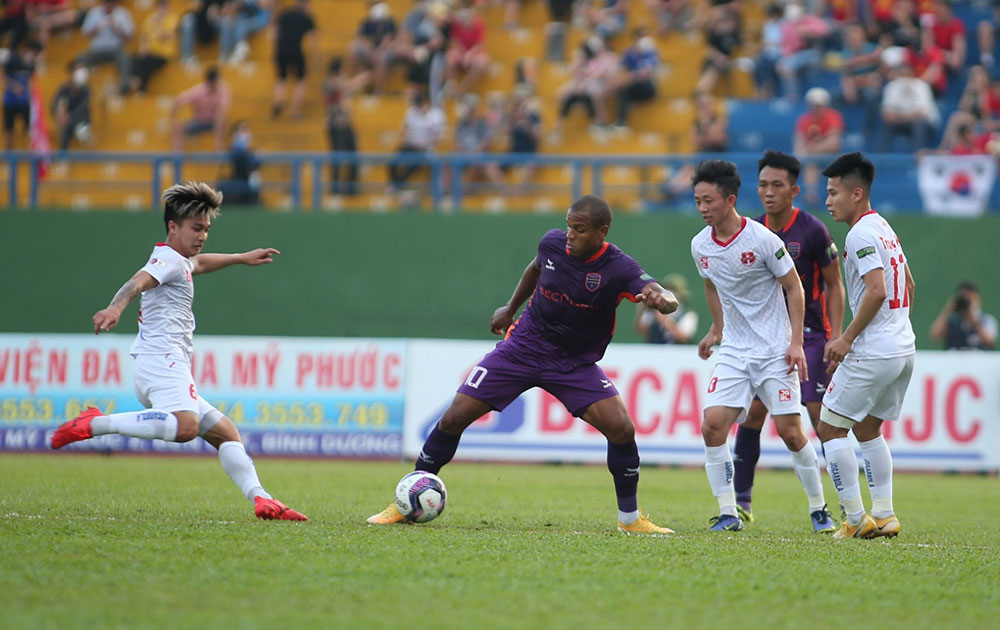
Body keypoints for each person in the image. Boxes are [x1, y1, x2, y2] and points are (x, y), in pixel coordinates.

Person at [367, 195, 679, 535]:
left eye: (579, 230)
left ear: (602, 232)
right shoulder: (552, 243)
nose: (570, 235)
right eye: (568, 226)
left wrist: (663, 300)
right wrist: (510, 306)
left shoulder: (618, 267)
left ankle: (630, 520)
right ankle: (405, 502)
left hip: (572, 363)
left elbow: (657, 290)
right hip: (522, 348)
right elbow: (535, 267)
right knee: (455, 416)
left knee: (622, 429)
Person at [49, 181, 306, 523]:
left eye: (207, 229)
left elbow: (199, 264)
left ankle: (263, 500)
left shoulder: (180, 260)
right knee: (186, 426)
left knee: (226, 433)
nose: (202, 236)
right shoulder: (167, 260)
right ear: (173, 226)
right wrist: (115, 308)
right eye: (196, 228)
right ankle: (95, 423)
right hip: (161, 361)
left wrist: (241, 258)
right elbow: (137, 281)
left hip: (164, 364)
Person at [690, 159, 833, 532]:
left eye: (709, 200)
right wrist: (716, 329)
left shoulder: (764, 240)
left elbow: (794, 287)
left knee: (790, 431)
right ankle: (728, 512)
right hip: (735, 352)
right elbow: (711, 283)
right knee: (712, 426)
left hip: (773, 350)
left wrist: (796, 341)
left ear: (730, 199)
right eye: (697, 201)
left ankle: (819, 508)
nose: (703, 208)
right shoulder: (700, 245)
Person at [731, 150, 845, 527]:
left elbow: (834, 284)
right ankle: (741, 501)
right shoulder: (750, 229)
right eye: (763, 185)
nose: (768, 192)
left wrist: (837, 334)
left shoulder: (812, 229)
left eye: (777, 185)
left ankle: (844, 502)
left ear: (794, 189)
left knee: (817, 416)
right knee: (751, 415)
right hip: (762, 339)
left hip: (808, 335)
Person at [818, 151, 915, 540]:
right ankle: (886, 514)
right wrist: (897, 325)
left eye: (834, 192)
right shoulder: (883, 226)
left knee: (829, 428)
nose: (828, 200)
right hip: (902, 347)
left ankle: (856, 520)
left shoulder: (859, 233)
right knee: (868, 427)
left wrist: (846, 338)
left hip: (874, 349)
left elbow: (876, 291)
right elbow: (907, 280)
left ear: (856, 193)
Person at [76, 0, 134, 95]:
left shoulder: (123, 13)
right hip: (97, 50)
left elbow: (129, 36)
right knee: (80, 58)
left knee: (125, 58)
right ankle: (79, 86)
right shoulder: (94, 13)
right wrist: (97, 27)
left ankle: (124, 86)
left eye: (111, 3)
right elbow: (85, 34)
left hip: (115, 49)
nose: (109, 5)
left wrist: (116, 27)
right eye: (107, 3)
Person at [271, 0, 316, 119]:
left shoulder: (284, 14)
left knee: (281, 78)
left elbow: (275, 32)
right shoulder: (307, 18)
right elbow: (312, 38)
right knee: (301, 80)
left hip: (280, 50)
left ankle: (278, 103)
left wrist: (276, 48)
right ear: (306, 4)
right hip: (296, 51)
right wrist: (313, 56)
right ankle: (294, 110)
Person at [170, 65, 231, 152]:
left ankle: (218, 145)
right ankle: (178, 155)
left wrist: (215, 104)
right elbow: (179, 100)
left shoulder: (224, 89)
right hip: (199, 121)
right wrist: (173, 118)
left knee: (221, 117)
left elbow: (223, 109)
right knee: (177, 128)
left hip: (214, 122)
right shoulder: (200, 90)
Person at [930, 282, 997, 350]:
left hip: (978, 359)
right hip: (953, 358)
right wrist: (947, 310)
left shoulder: (987, 320)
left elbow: (990, 341)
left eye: (969, 298)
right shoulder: (952, 321)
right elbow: (935, 335)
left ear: (977, 299)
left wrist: (973, 319)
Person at [634, 273, 698, 344]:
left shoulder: (688, 314)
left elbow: (683, 338)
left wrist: (664, 320)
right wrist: (642, 308)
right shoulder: (653, 310)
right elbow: (641, 330)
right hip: (655, 351)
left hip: (678, 353)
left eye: (673, 290)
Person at [130, 0, 178, 94]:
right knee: (134, 59)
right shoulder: (149, 19)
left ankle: (138, 85)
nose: (162, 9)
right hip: (150, 54)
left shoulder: (172, 19)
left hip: (164, 54)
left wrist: (158, 23)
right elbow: (143, 35)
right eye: (160, 6)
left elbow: (165, 37)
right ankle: (138, 84)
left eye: (164, 6)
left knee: (145, 62)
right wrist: (142, 48)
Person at [3, 39, 40, 150]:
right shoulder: (12, 60)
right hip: (10, 101)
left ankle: (31, 151)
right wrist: (14, 87)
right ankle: (9, 154)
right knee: (9, 129)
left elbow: (32, 80)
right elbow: (2, 75)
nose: (34, 56)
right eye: (33, 53)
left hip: (25, 101)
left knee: (29, 128)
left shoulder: (31, 64)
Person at [215, 120, 260, 205]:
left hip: (249, 192)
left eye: (246, 130)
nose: (245, 133)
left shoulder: (253, 154)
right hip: (234, 190)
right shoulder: (232, 152)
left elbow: (254, 170)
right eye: (242, 130)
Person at [51, 60, 91, 151]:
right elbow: (55, 103)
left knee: (83, 131)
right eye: (78, 69)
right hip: (66, 122)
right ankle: (63, 157)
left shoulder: (86, 90)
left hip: (82, 121)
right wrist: (59, 115)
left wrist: (69, 116)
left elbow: (83, 107)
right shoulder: (64, 88)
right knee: (64, 128)